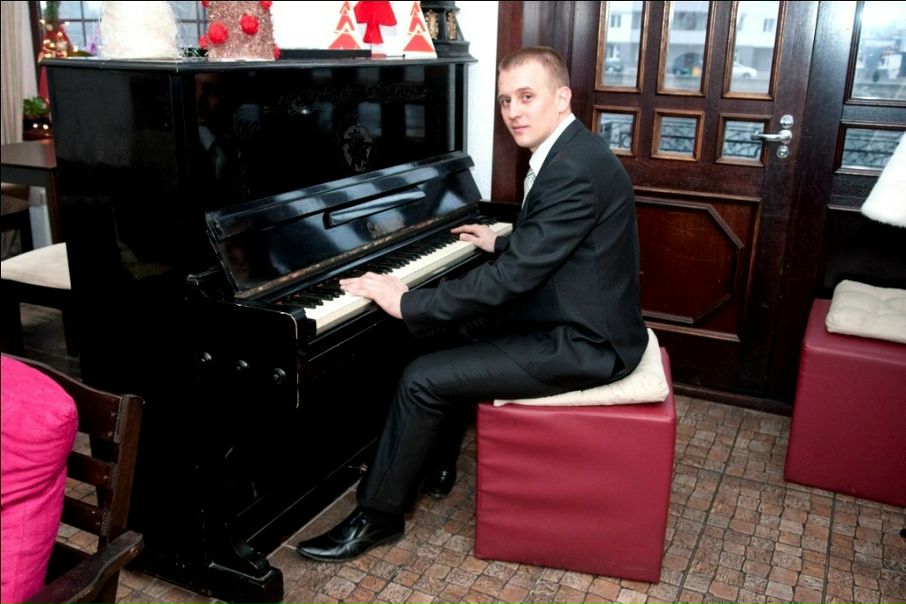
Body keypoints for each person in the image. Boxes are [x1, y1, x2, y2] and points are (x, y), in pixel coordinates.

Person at [295, 46, 648, 562]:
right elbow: (557, 242)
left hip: (585, 343)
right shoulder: (574, 150)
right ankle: (435, 465)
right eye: (505, 100)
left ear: (562, 97)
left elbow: (512, 280)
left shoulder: (572, 168)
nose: (514, 112)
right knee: (449, 334)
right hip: (575, 317)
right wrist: (501, 241)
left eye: (526, 97)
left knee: (422, 377)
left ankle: (379, 516)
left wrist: (408, 300)